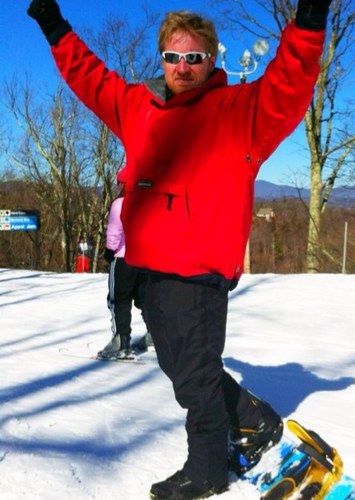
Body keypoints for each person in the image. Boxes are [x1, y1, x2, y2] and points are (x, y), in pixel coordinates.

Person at [27, 0, 331, 497]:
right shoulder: (138, 108)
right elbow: (90, 78)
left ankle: (208, 468)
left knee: (193, 381)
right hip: (148, 270)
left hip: (198, 272)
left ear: (212, 59)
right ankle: (252, 419)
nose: (183, 68)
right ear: (161, 59)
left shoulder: (240, 113)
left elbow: (289, 83)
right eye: (173, 57)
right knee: (184, 366)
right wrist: (54, 26)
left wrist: (309, 21)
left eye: (195, 58)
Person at [98, 167, 153, 359]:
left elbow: (114, 232)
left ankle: (121, 341)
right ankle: (154, 333)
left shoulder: (120, 204)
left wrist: (109, 250)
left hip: (123, 259)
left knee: (118, 299)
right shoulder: (147, 203)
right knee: (144, 298)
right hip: (144, 259)